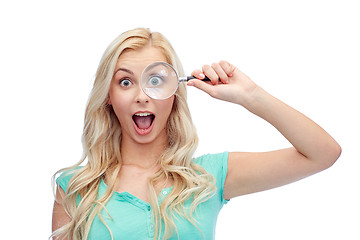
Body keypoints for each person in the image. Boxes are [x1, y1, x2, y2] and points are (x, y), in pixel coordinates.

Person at [51, 28, 341, 240]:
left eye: (155, 80)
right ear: (108, 96)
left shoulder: (208, 177)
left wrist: (250, 95)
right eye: (125, 82)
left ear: (175, 92)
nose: (142, 96)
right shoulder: (77, 189)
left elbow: (323, 153)